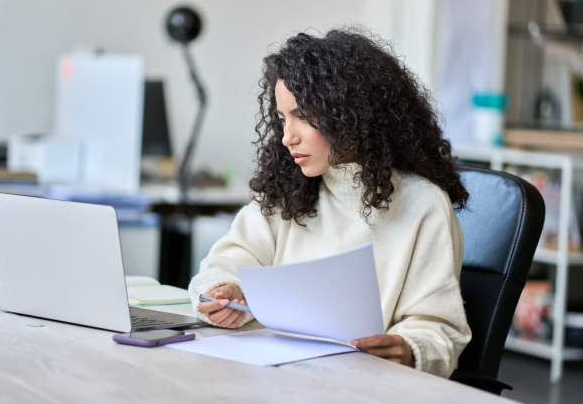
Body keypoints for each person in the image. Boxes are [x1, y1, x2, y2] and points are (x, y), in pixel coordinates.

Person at [188, 28, 472, 378]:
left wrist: (411, 349)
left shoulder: (423, 205)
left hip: (363, 389)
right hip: (278, 380)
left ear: (353, 114)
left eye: (304, 116)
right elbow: (224, 263)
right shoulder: (290, 190)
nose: (287, 137)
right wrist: (223, 291)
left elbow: (438, 329)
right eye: (281, 119)